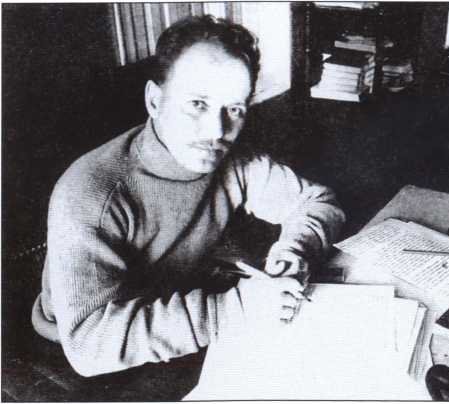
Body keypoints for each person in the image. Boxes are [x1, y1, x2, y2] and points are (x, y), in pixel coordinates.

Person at [31, 15, 345, 377]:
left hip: (183, 314)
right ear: (155, 100)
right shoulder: (90, 193)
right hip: (80, 359)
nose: (216, 131)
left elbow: (317, 201)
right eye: (197, 103)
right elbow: (88, 345)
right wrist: (234, 310)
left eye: (234, 109)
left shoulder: (231, 158)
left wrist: (295, 251)